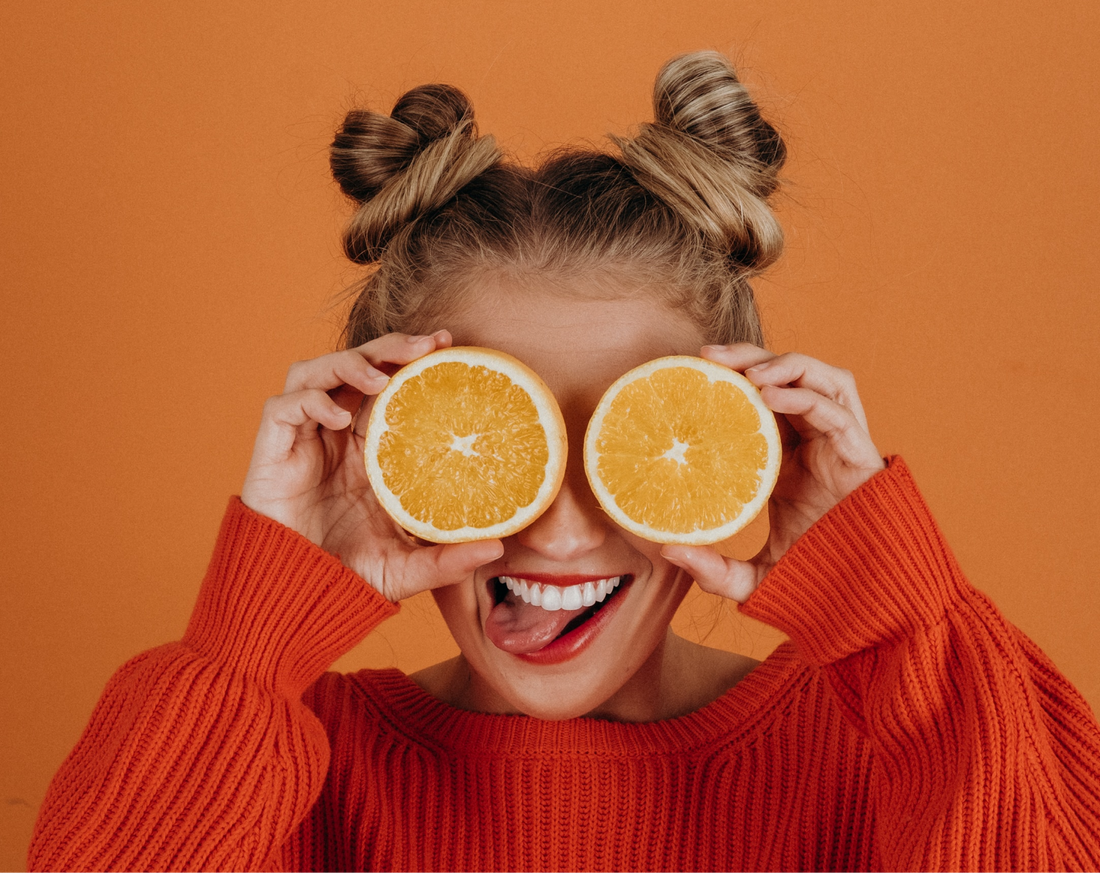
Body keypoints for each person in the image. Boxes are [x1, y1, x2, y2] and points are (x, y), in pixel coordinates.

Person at [28, 51, 1100, 871]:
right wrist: (250, 638)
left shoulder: (896, 752)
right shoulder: (285, 768)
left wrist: (899, 617)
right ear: (380, 445)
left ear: (740, 443)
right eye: (494, 443)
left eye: (631, 439)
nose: (559, 528)